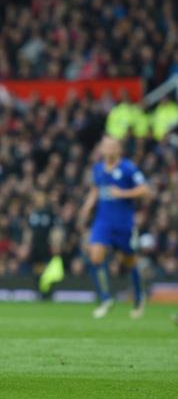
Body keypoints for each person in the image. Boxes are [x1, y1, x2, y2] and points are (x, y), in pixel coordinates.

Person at [78, 135, 151, 319]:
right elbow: (96, 190)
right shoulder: (98, 169)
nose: (109, 149)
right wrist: (87, 207)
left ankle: (139, 297)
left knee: (129, 262)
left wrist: (123, 193)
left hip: (123, 223)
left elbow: (145, 189)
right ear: (101, 149)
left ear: (119, 149)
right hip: (103, 222)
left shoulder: (128, 168)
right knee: (95, 257)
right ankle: (105, 299)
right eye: (105, 146)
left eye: (112, 146)